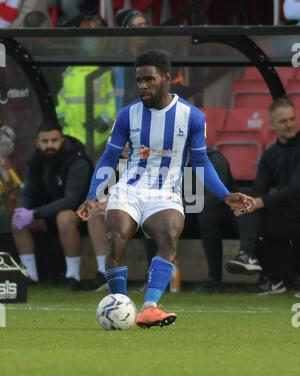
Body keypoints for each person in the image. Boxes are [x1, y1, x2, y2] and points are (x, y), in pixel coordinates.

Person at [77, 50, 255, 328]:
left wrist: (225, 194)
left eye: (149, 79)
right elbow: (109, 158)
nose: (142, 85)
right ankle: (119, 307)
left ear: (167, 79)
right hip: (129, 188)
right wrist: (92, 196)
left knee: (169, 236)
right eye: (139, 80)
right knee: (115, 237)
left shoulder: (192, 116)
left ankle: (149, 307)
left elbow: (201, 162)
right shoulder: (127, 115)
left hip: (166, 192)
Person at [11, 120, 107, 291]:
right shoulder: (35, 162)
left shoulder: (78, 162)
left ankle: (73, 276)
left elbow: (70, 201)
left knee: (64, 217)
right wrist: (23, 211)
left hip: (82, 218)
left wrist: (34, 214)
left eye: (54, 141)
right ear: (37, 143)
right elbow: (27, 193)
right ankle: (29, 276)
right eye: (45, 141)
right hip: (48, 216)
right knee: (17, 221)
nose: (49, 145)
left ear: (62, 140)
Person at [228, 98, 300, 295]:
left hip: (296, 213)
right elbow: (259, 190)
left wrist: (260, 202)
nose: (290, 124)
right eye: (283, 121)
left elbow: (296, 188)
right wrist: (245, 201)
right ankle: (253, 261)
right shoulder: (271, 154)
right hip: (285, 215)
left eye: (292, 119)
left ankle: (253, 261)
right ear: (273, 125)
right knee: (247, 205)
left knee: (253, 211)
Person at [197, 148, 261, 293]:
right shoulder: (174, 161)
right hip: (188, 211)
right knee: (153, 219)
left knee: (207, 217)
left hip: (227, 210)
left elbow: (214, 198)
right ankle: (153, 278)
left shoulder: (212, 159)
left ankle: (244, 259)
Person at [56, 15, 116, 159]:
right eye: (85, 32)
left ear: (103, 38)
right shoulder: (72, 67)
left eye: (93, 33)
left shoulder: (110, 66)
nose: (88, 38)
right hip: (71, 140)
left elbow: (118, 98)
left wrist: (105, 121)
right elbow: (62, 96)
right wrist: (60, 116)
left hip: (99, 141)